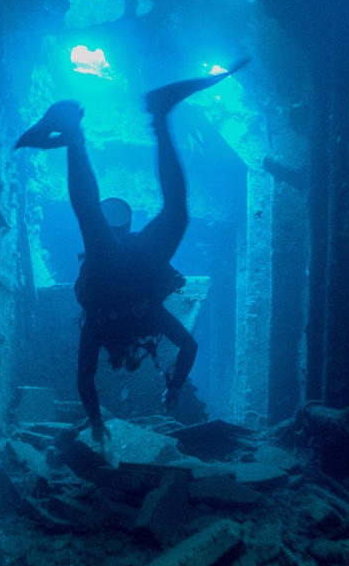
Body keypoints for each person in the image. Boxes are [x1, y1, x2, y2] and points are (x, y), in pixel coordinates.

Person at [15, 60, 249, 443]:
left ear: (116, 351)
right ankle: (149, 115)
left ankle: (92, 128)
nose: (125, 358)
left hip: (123, 264)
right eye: (127, 359)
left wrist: (98, 421)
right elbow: (183, 347)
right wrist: (171, 387)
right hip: (134, 263)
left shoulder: (103, 326)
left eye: (120, 359)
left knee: (153, 214)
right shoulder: (123, 324)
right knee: (120, 216)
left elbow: (86, 379)